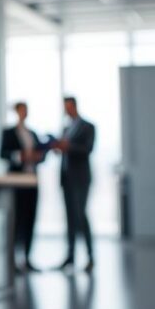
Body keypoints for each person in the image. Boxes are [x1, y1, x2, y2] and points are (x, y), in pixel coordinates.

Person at [0, 102, 45, 273]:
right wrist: (20, 155)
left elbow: (42, 154)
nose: (23, 113)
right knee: (16, 220)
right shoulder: (9, 133)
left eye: (26, 110)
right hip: (16, 181)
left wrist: (38, 156)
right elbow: (2, 154)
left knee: (30, 219)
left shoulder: (32, 133)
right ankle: (12, 260)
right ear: (16, 112)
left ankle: (27, 258)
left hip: (32, 181)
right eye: (21, 110)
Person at [54, 96, 96, 273]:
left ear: (75, 106)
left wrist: (68, 146)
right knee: (70, 218)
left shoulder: (88, 126)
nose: (67, 110)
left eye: (69, 107)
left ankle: (90, 256)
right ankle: (70, 257)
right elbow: (63, 150)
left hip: (81, 179)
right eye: (65, 108)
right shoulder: (66, 128)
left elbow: (88, 149)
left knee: (81, 215)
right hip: (66, 179)